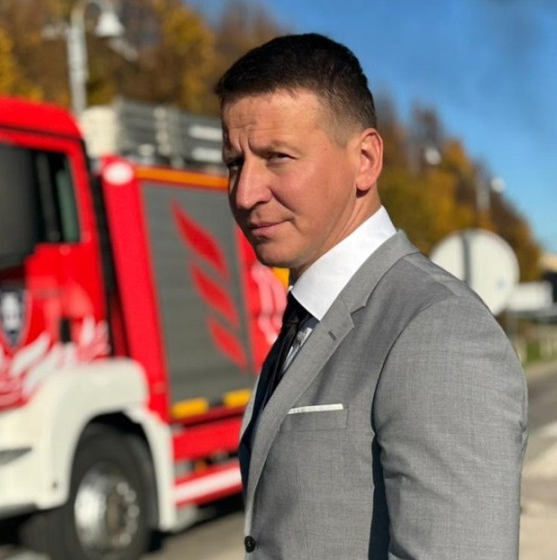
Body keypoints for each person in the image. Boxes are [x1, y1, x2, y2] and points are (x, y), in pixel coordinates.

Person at [218, 33, 528, 559]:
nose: (245, 193)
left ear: (364, 159)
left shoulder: (438, 331)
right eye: (234, 163)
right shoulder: (306, 318)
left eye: (277, 157)